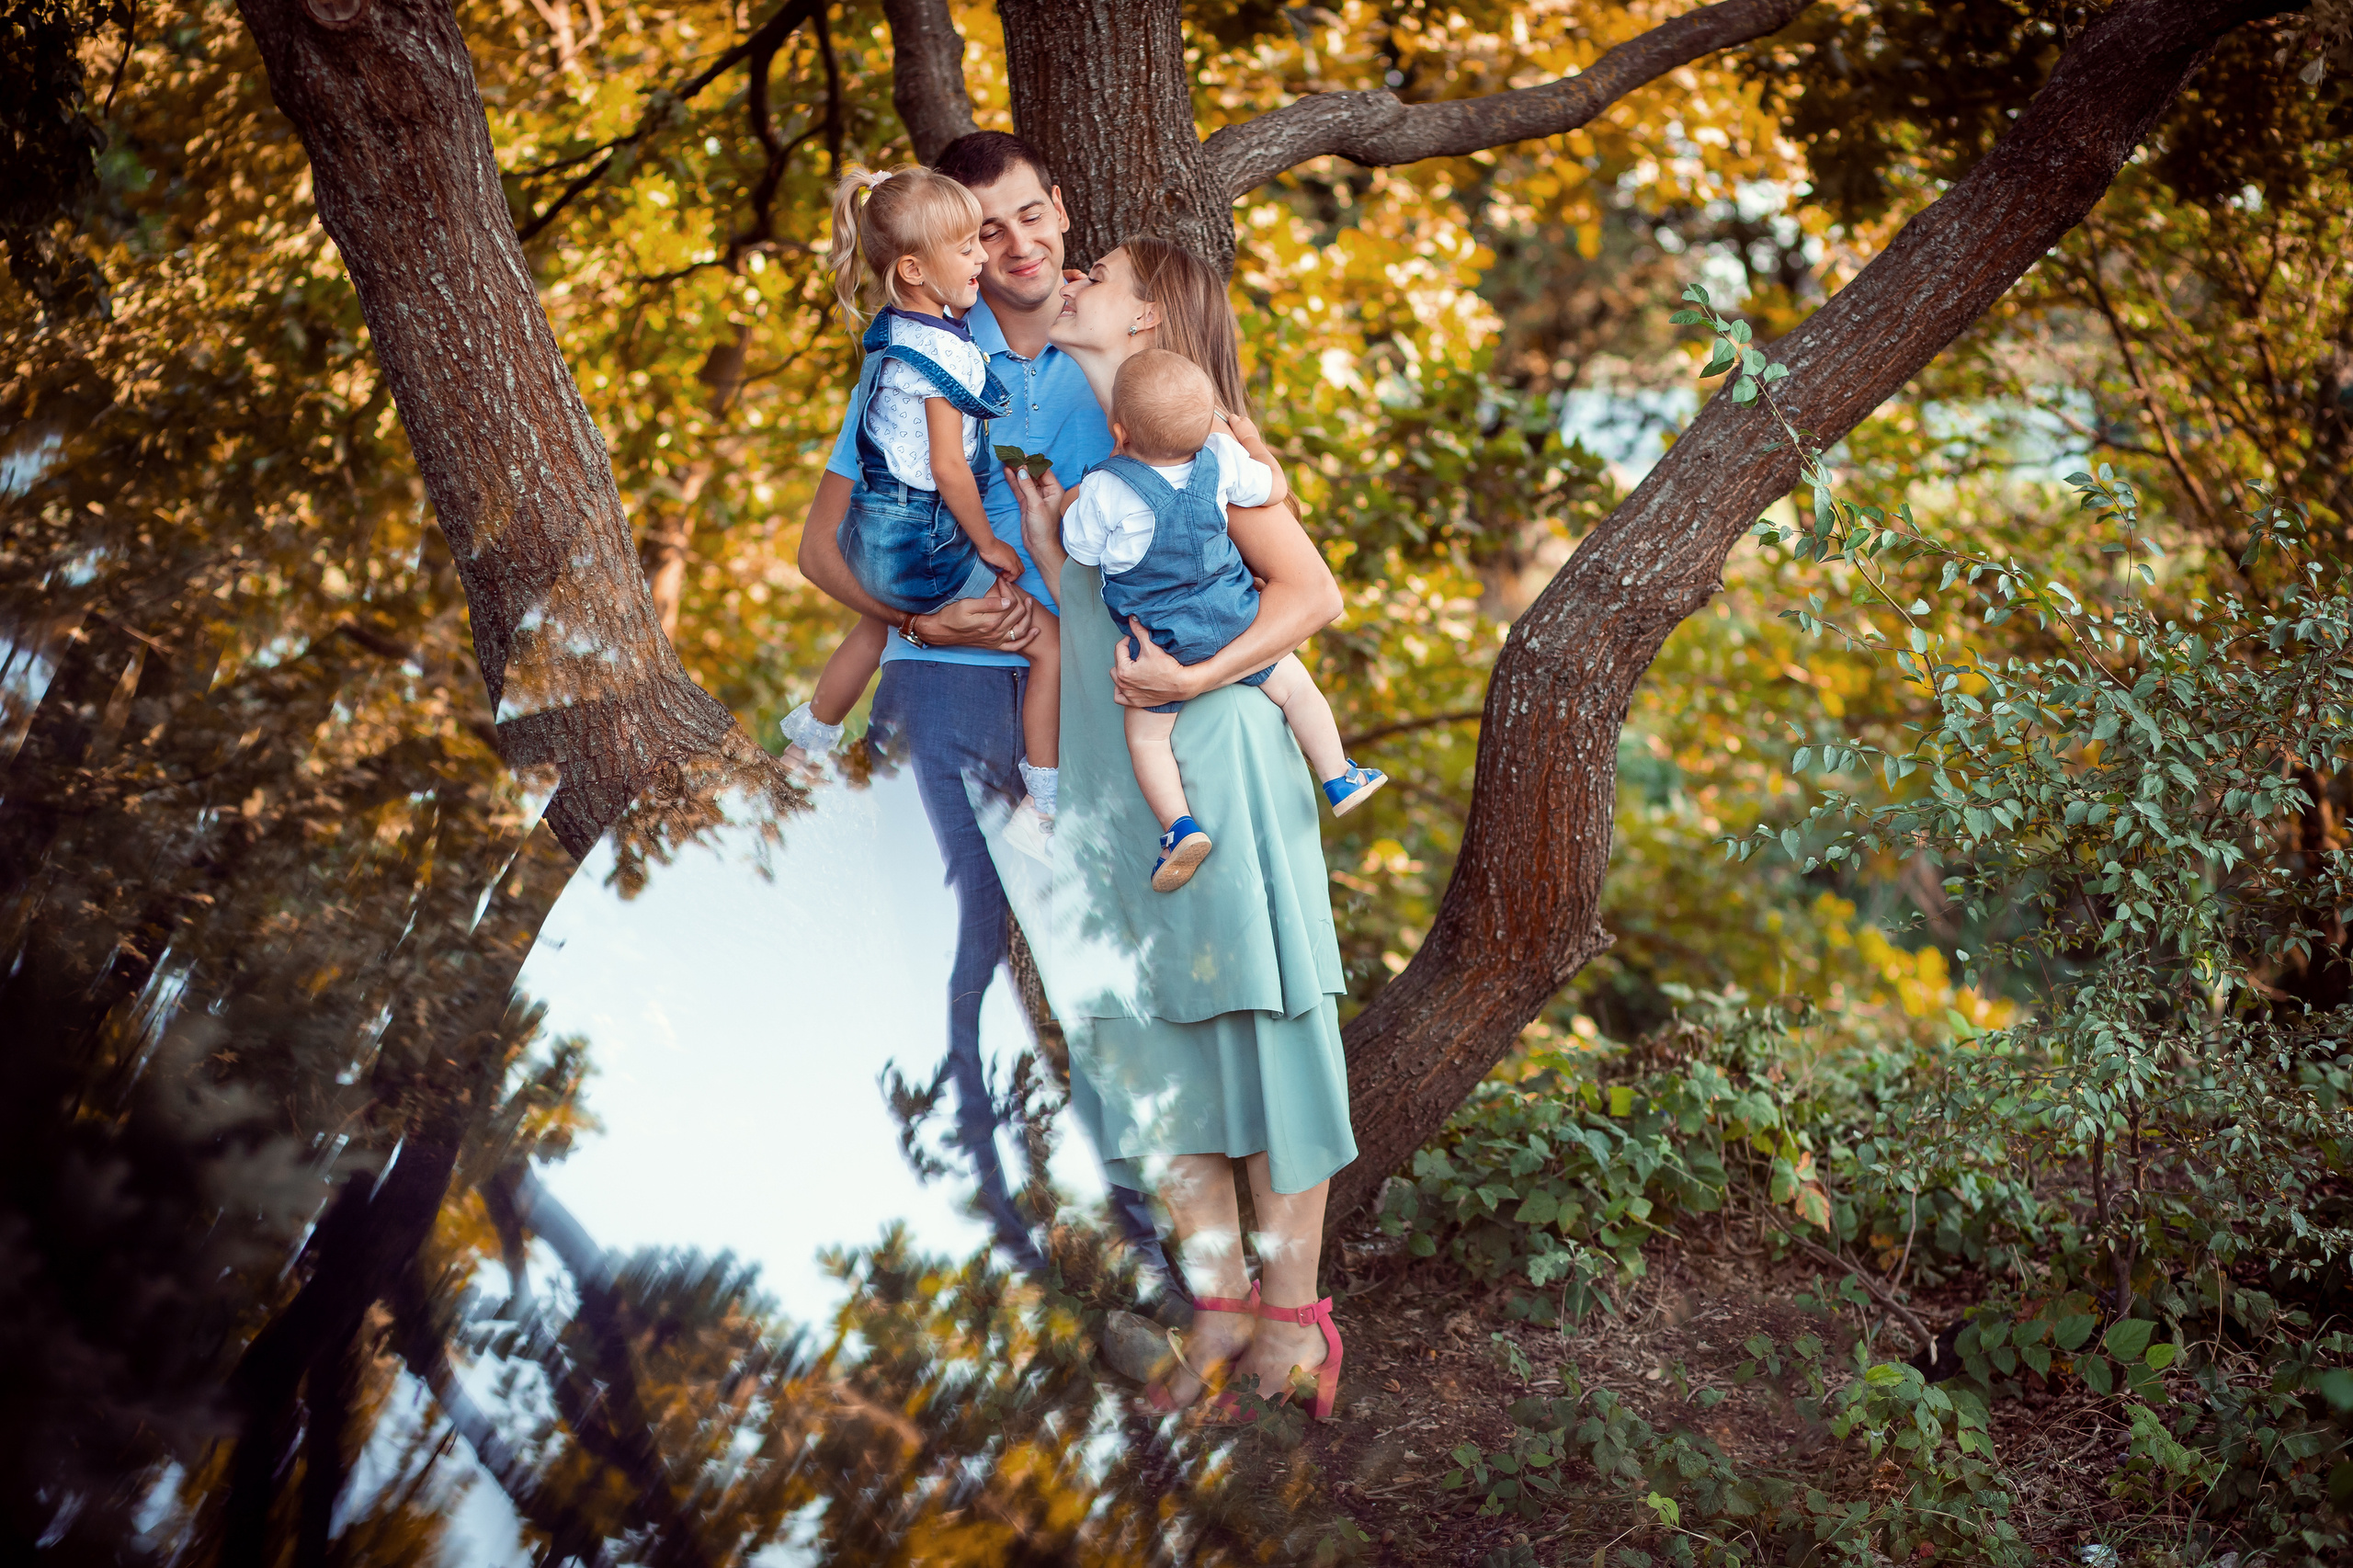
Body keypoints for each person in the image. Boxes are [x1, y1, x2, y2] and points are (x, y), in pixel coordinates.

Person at [793, 132, 1168, 1288]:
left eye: (1024, 217)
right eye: (981, 230)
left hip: (1097, 715)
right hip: (946, 700)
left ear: (1060, 209)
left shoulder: (1126, 351)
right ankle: (973, 1253)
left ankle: (1140, 1244)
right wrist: (914, 621)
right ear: (944, 255)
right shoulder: (915, 370)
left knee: (1103, 972)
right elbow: (818, 546)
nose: (1011, 246)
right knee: (949, 971)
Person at [1008, 236, 1357, 1420]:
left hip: (1218, 770)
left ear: (1147, 318)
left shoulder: (1219, 454)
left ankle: (1296, 1320)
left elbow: (1310, 598)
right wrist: (1051, 557)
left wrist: (1193, 674)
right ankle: (1215, 1310)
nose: (1070, 283)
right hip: (1124, 793)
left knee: (1260, 1031)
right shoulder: (1088, 460)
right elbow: (1085, 616)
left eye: (1094, 276)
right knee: (1158, 1050)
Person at [781, 165, 1058, 832]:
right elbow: (948, 468)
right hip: (924, 543)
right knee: (1048, 646)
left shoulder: (889, 338)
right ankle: (1043, 804)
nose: (986, 257)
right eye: (970, 244)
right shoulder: (949, 353)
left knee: (875, 623)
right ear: (912, 269)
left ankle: (806, 745)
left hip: (880, 534)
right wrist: (989, 546)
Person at [1059, 347, 1386, 892]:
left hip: (1162, 642)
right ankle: (1338, 774)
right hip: (1236, 618)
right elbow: (1275, 490)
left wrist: (1071, 504)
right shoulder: (1223, 458)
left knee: (1147, 739)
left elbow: (1081, 550)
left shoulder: (1106, 487)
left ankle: (1179, 827)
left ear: (1119, 432)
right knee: (1297, 689)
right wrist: (1251, 440)